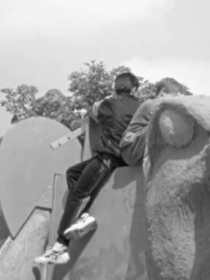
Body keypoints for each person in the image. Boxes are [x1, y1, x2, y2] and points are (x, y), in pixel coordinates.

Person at [35, 72, 142, 265]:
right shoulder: (141, 107)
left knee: (78, 194)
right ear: (135, 89)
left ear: (115, 88)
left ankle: (60, 246)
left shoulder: (110, 104)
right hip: (125, 159)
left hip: (108, 158)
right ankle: (84, 216)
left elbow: (93, 111)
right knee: (73, 173)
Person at [119, 77, 187, 167]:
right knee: (166, 122)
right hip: (129, 147)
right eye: (175, 99)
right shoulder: (152, 104)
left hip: (139, 148)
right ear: (163, 93)